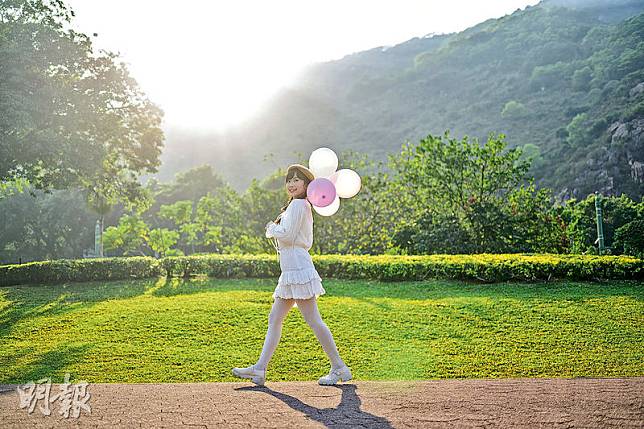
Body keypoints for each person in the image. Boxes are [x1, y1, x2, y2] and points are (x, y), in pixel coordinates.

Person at [232, 164, 352, 386]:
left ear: (307, 184)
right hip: (291, 270)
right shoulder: (297, 206)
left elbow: (286, 235)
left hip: (297, 269)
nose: (291, 184)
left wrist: (271, 228)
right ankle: (259, 370)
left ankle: (339, 367)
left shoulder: (298, 205)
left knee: (313, 320)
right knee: (275, 319)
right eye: (289, 180)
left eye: (297, 180)